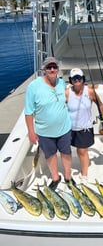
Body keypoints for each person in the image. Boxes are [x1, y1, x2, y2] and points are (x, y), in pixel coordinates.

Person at [24, 57, 73, 190]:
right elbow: (28, 112)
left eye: (54, 67)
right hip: (45, 132)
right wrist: (31, 132)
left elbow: (74, 91)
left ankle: (68, 176)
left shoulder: (61, 83)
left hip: (64, 128)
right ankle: (55, 178)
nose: (52, 69)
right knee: (50, 155)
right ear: (44, 69)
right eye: (49, 67)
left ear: (58, 69)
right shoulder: (33, 87)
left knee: (66, 153)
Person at [66, 68, 103, 183]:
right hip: (70, 128)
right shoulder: (67, 93)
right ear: (70, 80)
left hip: (85, 128)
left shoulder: (89, 91)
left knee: (82, 151)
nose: (77, 80)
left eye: (79, 77)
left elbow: (100, 105)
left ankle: (84, 174)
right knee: (69, 151)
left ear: (83, 79)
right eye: (74, 78)